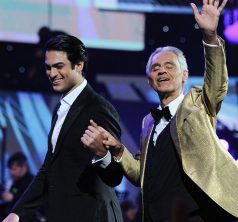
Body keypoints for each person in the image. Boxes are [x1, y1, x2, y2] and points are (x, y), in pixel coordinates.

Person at [81, 0, 238, 221]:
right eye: (155, 68)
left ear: (184, 75)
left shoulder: (198, 104)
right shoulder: (148, 123)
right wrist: (117, 149)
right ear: (150, 80)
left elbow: (217, 83)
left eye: (169, 66)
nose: (161, 71)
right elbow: (140, 175)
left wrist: (210, 37)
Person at [2, 35, 123, 222]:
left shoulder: (99, 108)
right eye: (48, 67)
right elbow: (48, 169)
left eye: (59, 66)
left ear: (79, 64)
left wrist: (102, 155)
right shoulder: (60, 109)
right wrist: (17, 213)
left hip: (94, 215)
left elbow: (115, 176)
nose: (51, 73)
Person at [0, 152, 34, 220]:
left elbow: (31, 201)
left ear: (24, 167)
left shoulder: (33, 182)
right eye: (10, 169)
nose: (11, 172)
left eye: (14, 169)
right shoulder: (15, 184)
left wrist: (13, 198)